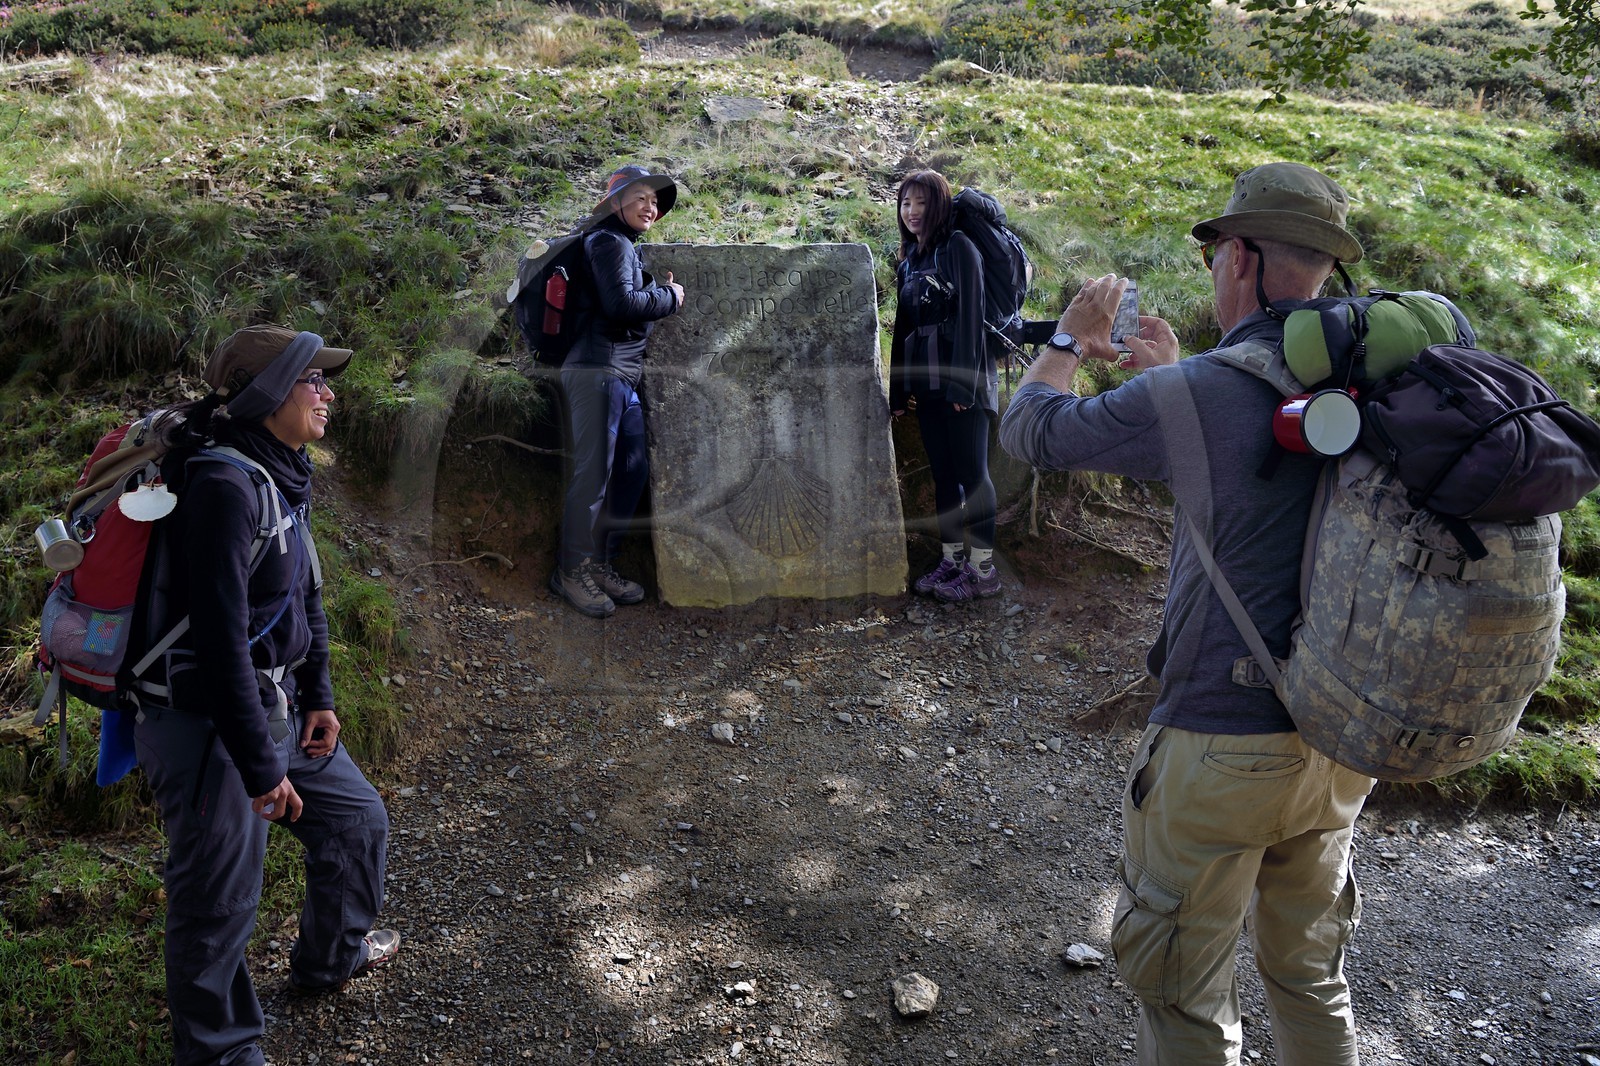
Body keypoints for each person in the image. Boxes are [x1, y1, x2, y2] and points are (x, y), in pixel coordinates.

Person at [999, 162, 1378, 1065]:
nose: (1213, 269)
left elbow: (1031, 432)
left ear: (1241, 256)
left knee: (1183, 994)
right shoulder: (1373, 372)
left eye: (1215, 252)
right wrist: (1172, 378)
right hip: (1339, 731)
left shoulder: (1202, 391)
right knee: (1310, 975)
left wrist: (1067, 337)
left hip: (1218, 739)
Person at [133, 325, 397, 1065]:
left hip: (273, 708)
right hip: (206, 722)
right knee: (217, 899)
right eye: (314, 380)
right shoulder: (222, 486)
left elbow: (302, 593)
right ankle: (219, 1053)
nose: (329, 392)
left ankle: (332, 956)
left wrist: (319, 695)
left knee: (357, 822)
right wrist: (260, 767)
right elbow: (218, 646)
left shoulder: (278, 470)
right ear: (267, 393)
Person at [549, 163, 686, 618]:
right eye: (640, 197)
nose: (650, 207)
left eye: (655, 201)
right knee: (594, 474)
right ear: (615, 202)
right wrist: (670, 297)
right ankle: (570, 571)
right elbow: (620, 303)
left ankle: (600, 563)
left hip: (620, 378)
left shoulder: (622, 244)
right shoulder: (607, 241)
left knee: (631, 469)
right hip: (597, 371)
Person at [888, 170, 1002, 602]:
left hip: (964, 386)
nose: (911, 212)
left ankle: (984, 572)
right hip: (928, 387)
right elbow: (903, 328)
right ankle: (953, 561)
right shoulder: (910, 260)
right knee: (944, 477)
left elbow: (972, 319)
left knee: (974, 476)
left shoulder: (959, 248)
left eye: (920, 203)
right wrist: (899, 394)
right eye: (904, 204)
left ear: (938, 205)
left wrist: (962, 388)